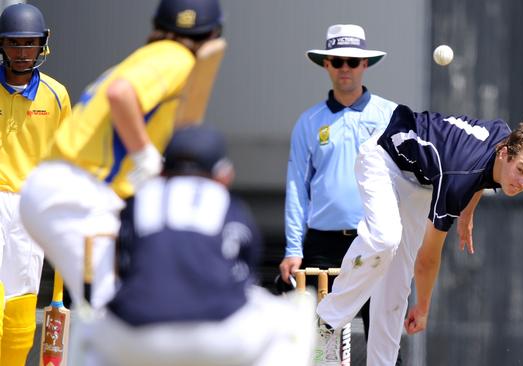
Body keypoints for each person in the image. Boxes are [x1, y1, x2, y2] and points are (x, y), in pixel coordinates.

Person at [19, 0, 223, 311]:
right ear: (213, 33)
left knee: (114, 305)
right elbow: (121, 94)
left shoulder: (148, 56)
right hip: (77, 190)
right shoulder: (176, 57)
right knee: (118, 308)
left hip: (71, 189)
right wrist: (145, 156)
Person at [316, 104, 523, 365]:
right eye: (521, 170)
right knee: (385, 240)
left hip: (422, 183)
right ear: (504, 152)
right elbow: (428, 258)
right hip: (385, 157)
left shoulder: (507, 137)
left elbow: (483, 173)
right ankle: (325, 324)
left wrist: (468, 211)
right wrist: (423, 307)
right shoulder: (458, 178)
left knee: (397, 285)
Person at [74, 125, 315, 366]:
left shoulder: (137, 201)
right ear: (224, 174)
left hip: (134, 335)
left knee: (86, 326)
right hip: (217, 335)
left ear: (161, 171)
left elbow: (120, 270)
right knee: (297, 312)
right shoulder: (229, 205)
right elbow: (243, 275)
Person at [277, 24, 401, 364]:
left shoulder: (389, 115)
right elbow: (296, 187)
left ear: (365, 65)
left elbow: (409, 181)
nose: (345, 68)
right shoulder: (309, 121)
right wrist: (292, 247)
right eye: (337, 60)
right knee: (321, 344)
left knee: (384, 339)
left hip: (376, 239)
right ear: (326, 65)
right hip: (324, 246)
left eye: (352, 61)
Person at [0, 3, 71, 364]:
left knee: (20, 306)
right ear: (2, 46)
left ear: (42, 44)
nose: (23, 52)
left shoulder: (56, 95)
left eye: (29, 43)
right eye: (14, 43)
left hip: (30, 207)